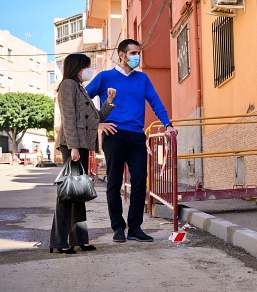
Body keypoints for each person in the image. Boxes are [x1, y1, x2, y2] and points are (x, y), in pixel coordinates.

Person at [86, 39, 177, 243]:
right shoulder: (104, 77)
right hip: (113, 134)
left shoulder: (142, 78)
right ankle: (118, 228)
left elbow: (155, 101)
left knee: (139, 181)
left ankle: (135, 228)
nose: (137, 57)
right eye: (133, 53)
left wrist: (168, 124)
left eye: (138, 53)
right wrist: (98, 124)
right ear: (121, 54)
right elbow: (84, 100)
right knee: (114, 183)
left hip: (137, 135)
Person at [50, 53, 117, 254]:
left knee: (78, 192)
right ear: (78, 67)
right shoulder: (68, 85)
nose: (89, 70)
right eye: (87, 66)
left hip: (82, 145)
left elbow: (95, 119)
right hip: (73, 146)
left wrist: (110, 100)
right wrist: (73, 147)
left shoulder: (79, 88)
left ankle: (79, 239)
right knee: (67, 193)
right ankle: (60, 241)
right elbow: (69, 119)